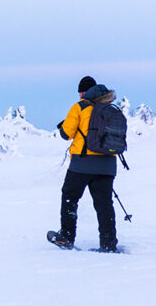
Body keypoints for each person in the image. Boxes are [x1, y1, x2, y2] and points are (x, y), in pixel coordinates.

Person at [48, 76, 120, 252]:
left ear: (83, 92)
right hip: (107, 164)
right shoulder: (109, 107)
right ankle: (109, 243)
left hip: (82, 163)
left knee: (69, 197)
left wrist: (64, 126)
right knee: (104, 204)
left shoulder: (79, 107)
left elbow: (66, 134)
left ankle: (66, 236)